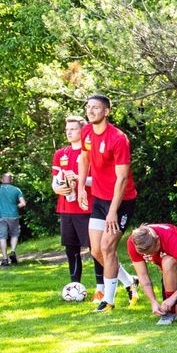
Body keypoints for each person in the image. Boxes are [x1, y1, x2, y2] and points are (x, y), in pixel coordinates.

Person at [75, 94, 138, 312]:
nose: (91, 111)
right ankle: (130, 282)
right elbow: (83, 159)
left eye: (96, 108)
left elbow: (122, 178)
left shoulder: (118, 139)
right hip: (100, 198)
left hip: (121, 200)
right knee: (96, 251)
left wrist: (113, 211)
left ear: (106, 112)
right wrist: (81, 186)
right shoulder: (86, 133)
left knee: (107, 247)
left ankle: (108, 301)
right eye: (89, 107)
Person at [51, 116, 104, 292]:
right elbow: (55, 182)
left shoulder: (91, 152)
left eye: (73, 129)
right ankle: (75, 286)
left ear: (82, 131)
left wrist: (80, 180)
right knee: (71, 249)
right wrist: (59, 189)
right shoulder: (61, 154)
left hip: (87, 208)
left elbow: (101, 180)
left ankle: (100, 288)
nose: (69, 132)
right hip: (66, 209)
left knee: (95, 249)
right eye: (67, 129)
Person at [0, 173, 25, 266]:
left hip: (1, 216)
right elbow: (23, 203)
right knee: (14, 234)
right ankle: (13, 252)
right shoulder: (16, 189)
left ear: (2, 180)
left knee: (2, 237)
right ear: (11, 180)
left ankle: (4, 259)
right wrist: (15, 207)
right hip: (14, 216)